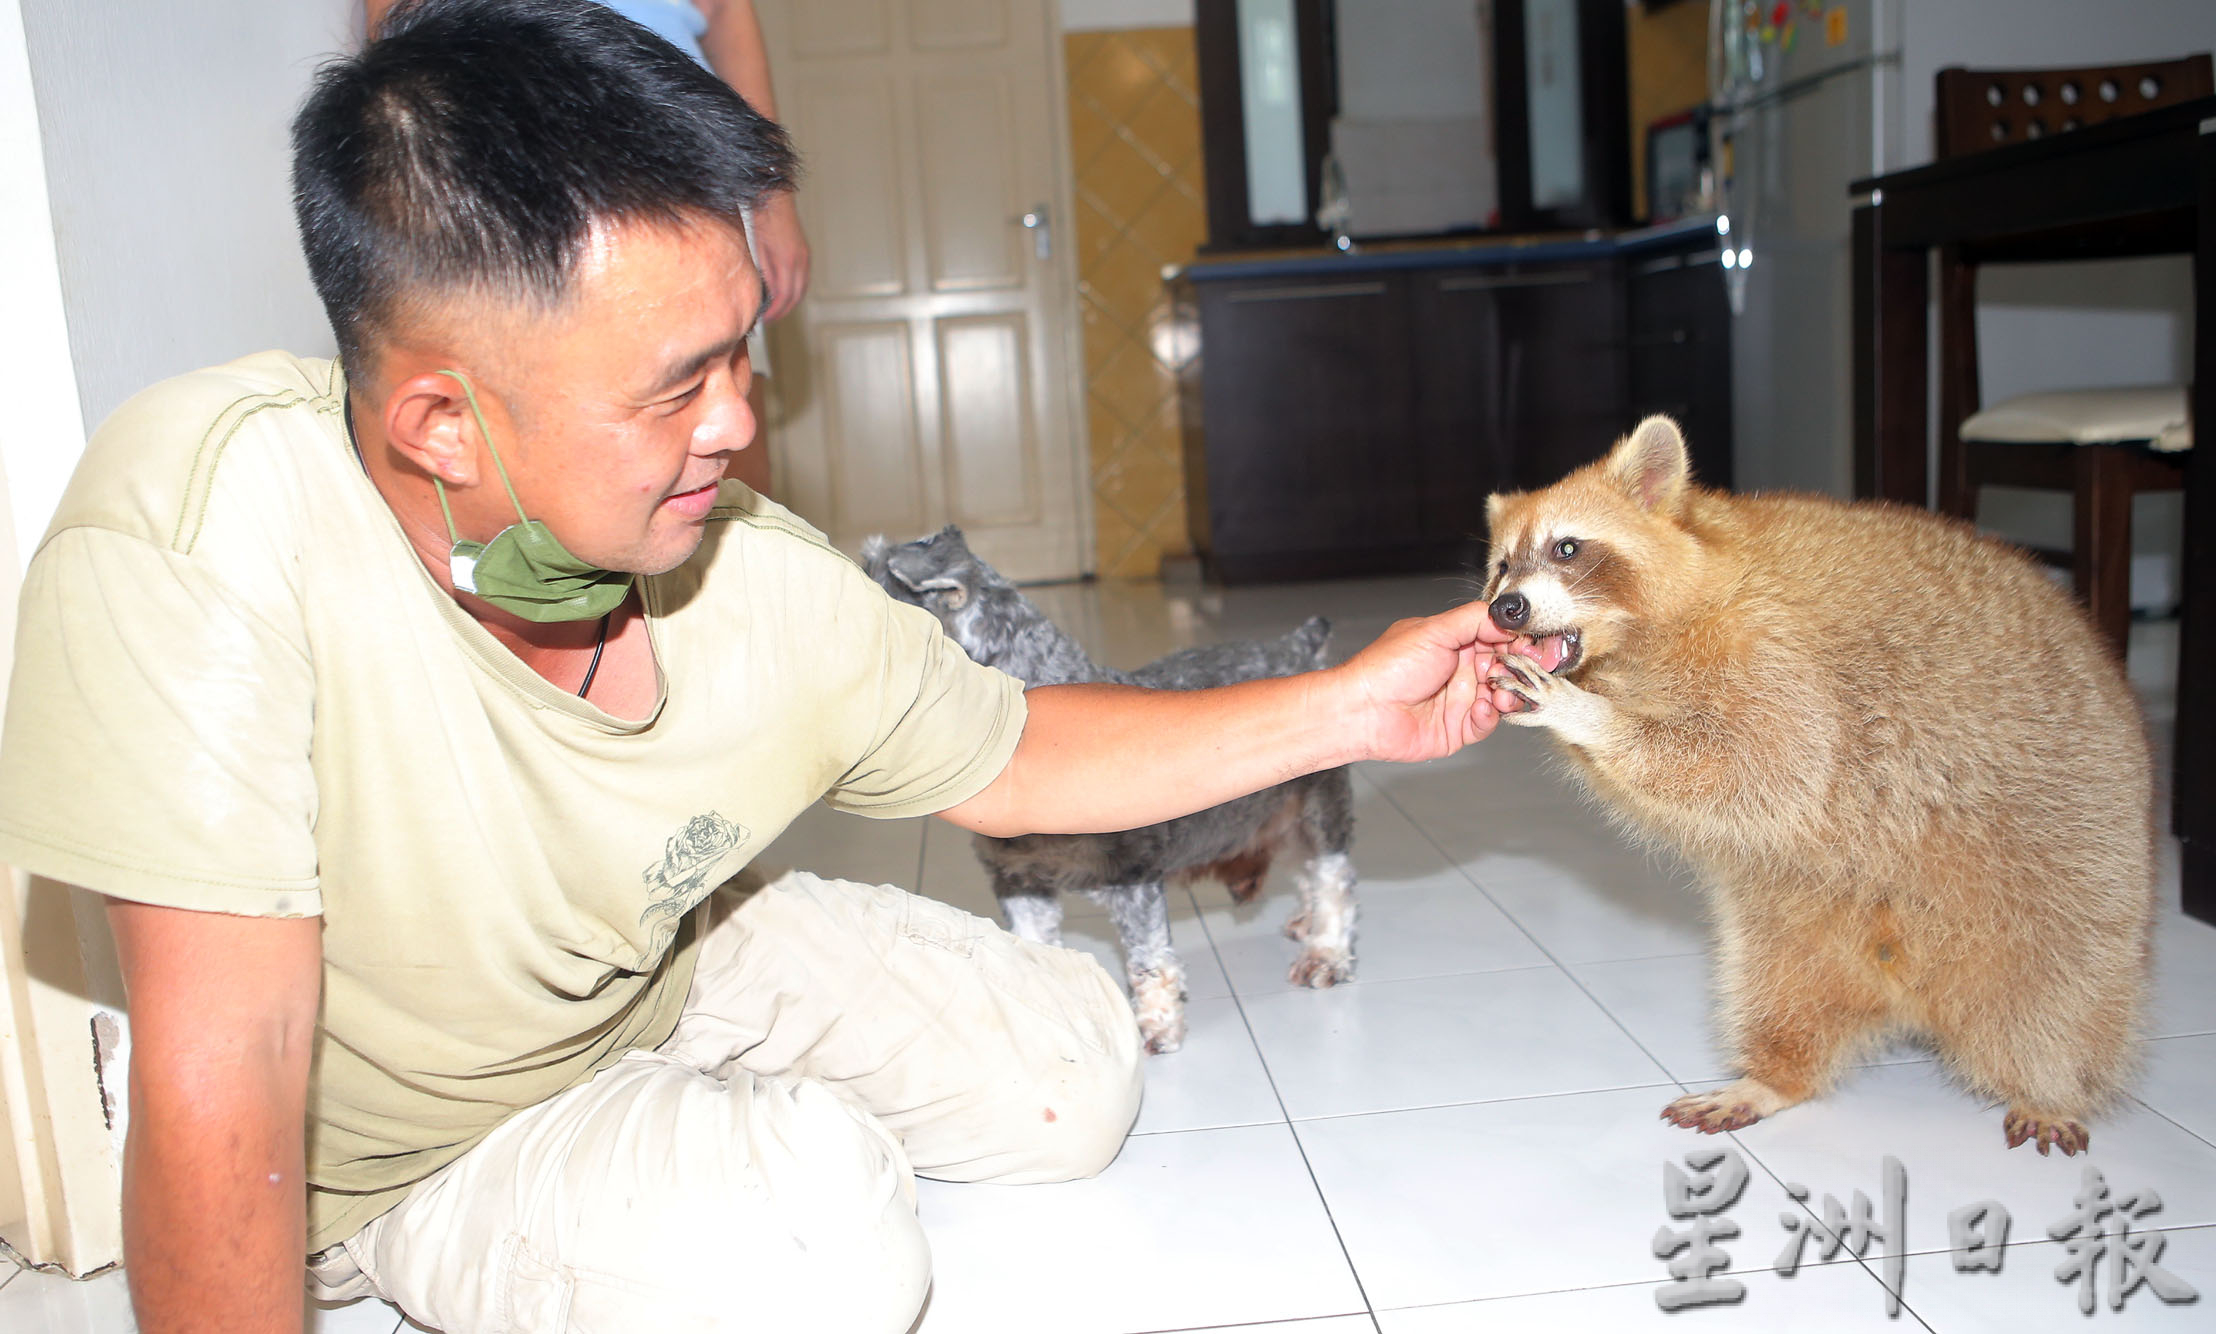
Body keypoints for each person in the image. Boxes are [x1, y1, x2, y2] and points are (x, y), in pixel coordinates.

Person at [0, 2, 1520, 1331]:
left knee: (1079, 1064)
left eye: (742, 355)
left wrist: (1349, 705)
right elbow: (237, 1067)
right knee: (824, 1247)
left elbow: (1024, 756)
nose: (734, 422)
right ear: (443, 423)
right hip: (399, 1130)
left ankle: (676, 1086)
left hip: (657, 959)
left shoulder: (740, 560)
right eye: (678, 385)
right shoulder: (202, 535)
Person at [363, 0, 811, 498]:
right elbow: (402, 30)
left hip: (693, 154)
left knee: (733, 471)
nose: (737, 423)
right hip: (522, 172)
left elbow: (727, 10)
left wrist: (771, 194)